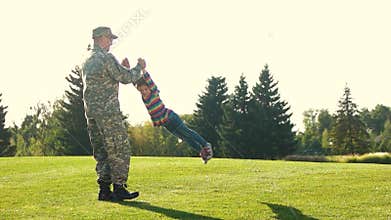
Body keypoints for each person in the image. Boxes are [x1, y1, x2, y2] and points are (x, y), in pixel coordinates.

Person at [82, 26, 145, 201]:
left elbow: (111, 77)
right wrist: (139, 67)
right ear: (100, 38)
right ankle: (119, 188)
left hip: (91, 113)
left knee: (102, 151)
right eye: (109, 38)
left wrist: (122, 69)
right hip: (108, 113)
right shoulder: (105, 57)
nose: (111, 42)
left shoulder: (86, 59)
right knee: (119, 148)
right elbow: (126, 78)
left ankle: (104, 190)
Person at [135, 69, 213, 163]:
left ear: (150, 88)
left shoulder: (154, 92)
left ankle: (205, 144)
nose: (144, 92)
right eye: (142, 91)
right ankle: (203, 152)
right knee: (185, 138)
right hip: (166, 124)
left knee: (187, 132)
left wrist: (143, 69)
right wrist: (127, 69)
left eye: (146, 89)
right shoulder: (144, 99)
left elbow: (149, 81)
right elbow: (136, 83)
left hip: (171, 117)